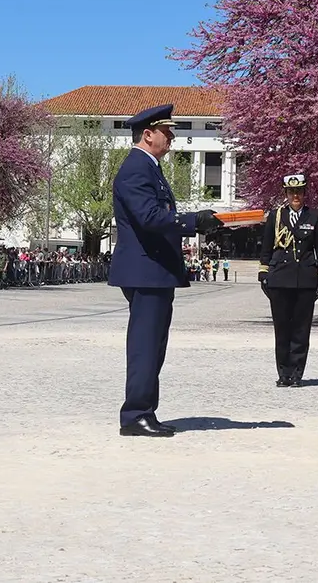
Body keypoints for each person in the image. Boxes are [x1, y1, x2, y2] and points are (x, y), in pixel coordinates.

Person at [108, 104, 224, 437]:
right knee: (145, 345)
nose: (171, 137)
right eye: (166, 131)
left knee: (154, 344)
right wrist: (193, 221)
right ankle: (135, 415)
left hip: (154, 269)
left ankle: (145, 411)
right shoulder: (136, 169)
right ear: (148, 134)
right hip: (146, 269)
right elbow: (149, 217)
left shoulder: (150, 168)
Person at [258, 174, 318, 387]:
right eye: (291, 192)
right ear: (286, 194)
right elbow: (267, 245)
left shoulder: (314, 216)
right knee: (282, 329)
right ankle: (284, 373)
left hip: (305, 279)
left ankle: (297, 374)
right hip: (280, 278)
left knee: (301, 329)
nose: (295, 196)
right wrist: (263, 272)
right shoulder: (276, 216)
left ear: (304, 193)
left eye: (299, 192)